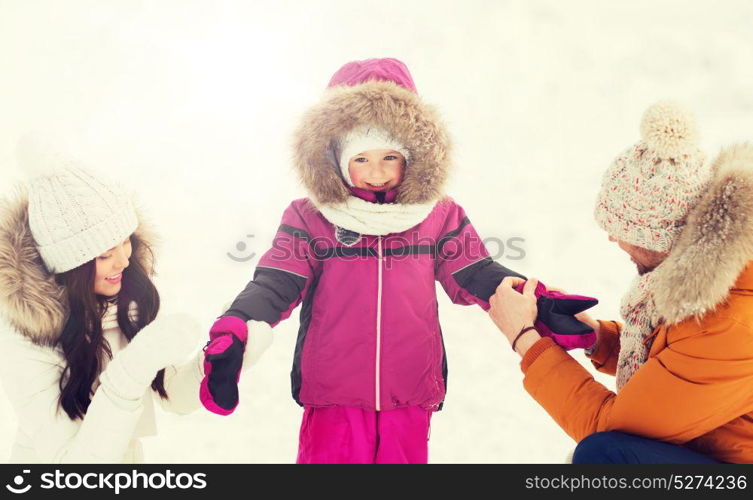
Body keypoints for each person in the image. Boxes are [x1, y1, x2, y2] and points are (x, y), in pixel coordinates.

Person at [199, 58, 596, 464]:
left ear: (413, 155)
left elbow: (476, 273)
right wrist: (236, 327)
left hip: (410, 392)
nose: (376, 173)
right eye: (361, 158)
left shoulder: (437, 215)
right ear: (335, 158)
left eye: (390, 157)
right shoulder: (311, 217)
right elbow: (276, 283)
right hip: (334, 396)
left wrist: (540, 305)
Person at [488, 101, 753, 463]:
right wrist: (597, 337)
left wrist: (524, 340)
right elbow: (676, 367)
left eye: (622, 230)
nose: (613, 240)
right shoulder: (711, 281)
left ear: (659, 238)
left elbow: (609, 426)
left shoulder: (728, 322)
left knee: (606, 457)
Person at [0, 140, 204, 463]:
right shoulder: (25, 337)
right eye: (105, 254)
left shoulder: (126, 299)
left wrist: (217, 361)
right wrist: (132, 368)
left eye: (126, 241)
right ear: (70, 266)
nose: (123, 260)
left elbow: (173, 392)